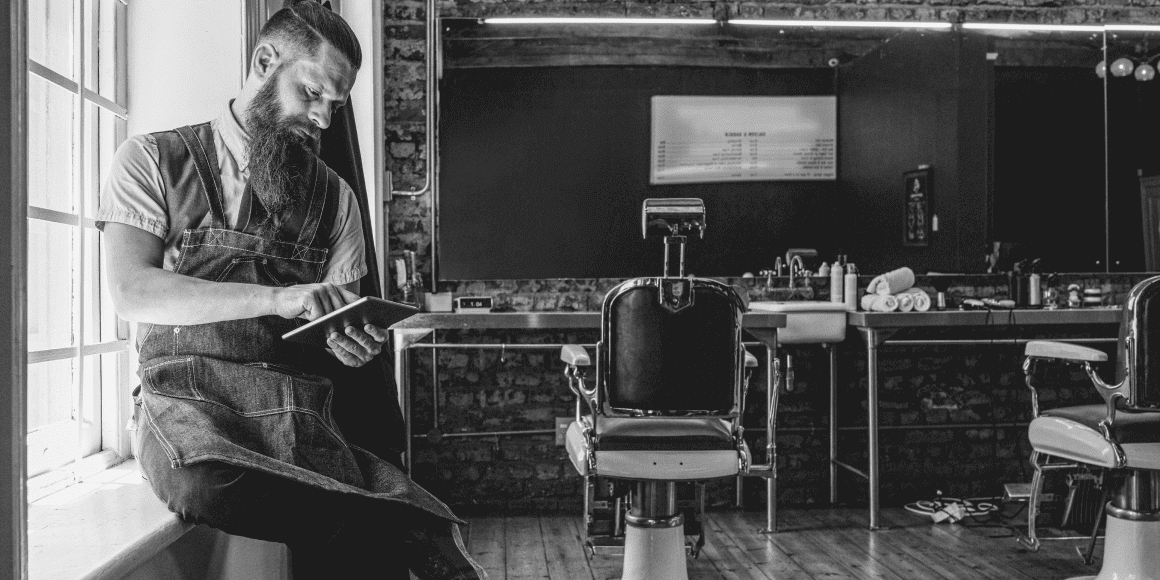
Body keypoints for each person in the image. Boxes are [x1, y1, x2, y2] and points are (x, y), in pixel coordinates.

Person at [96, 2, 486, 578]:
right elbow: (132, 290)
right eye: (312, 93)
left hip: (292, 410)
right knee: (203, 484)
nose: (324, 119)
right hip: (184, 404)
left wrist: (351, 342)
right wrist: (280, 298)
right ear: (263, 61)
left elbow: (340, 325)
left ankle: (403, 526)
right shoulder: (151, 159)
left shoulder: (338, 201)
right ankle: (405, 525)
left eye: (335, 104)